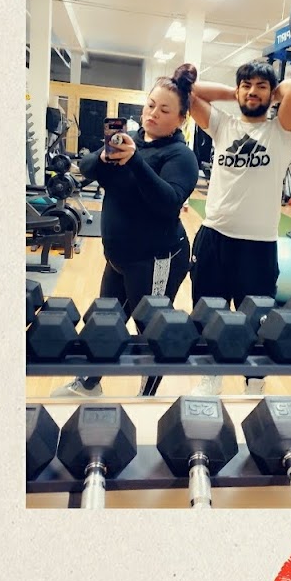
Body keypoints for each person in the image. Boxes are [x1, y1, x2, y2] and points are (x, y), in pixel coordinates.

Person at [51, 63, 200, 398]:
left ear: (181, 119)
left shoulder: (181, 156)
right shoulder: (128, 141)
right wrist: (106, 155)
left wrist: (135, 161)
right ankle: (88, 383)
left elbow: (168, 202)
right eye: (150, 105)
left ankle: (147, 396)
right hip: (118, 258)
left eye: (164, 110)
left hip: (156, 259)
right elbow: (86, 168)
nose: (153, 114)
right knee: (105, 320)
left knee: (151, 327)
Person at [188, 58, 291, 396]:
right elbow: (187, 91)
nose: (252, 91)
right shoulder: (222, 125)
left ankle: (253, 379)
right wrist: (236, 93)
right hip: (214, 237)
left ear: (272, 93)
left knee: (257, 319)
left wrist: (266, 95)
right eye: (247, 85)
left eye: (261, 86)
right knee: (208, 312)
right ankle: (211, 376)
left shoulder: (282, 132)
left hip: (257, 246)